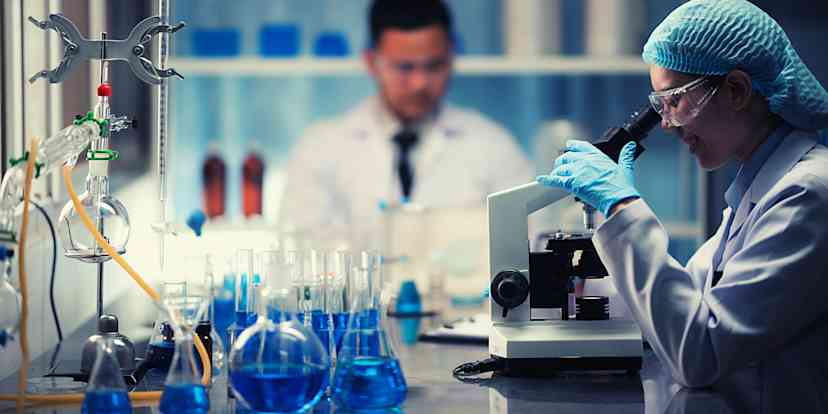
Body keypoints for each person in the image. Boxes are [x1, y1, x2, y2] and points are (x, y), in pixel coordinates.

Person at [537, 0, 828, 410]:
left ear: (737, 90)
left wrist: (622, 207)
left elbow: (699, 353)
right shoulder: (756, 194)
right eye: (660, 107)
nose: (667, 124)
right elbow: (679, 310)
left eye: (675, 101)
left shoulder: (807, 194)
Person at [278, 0, 531, 249]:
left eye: (434, 65)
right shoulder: (320, 148)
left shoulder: (493, 146)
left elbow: (528, 241)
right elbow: (298, 246)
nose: (419, 83)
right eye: (404, 67)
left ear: (452, 56)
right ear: (371, 62)